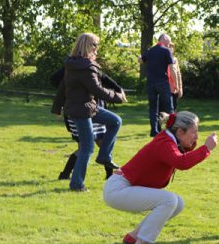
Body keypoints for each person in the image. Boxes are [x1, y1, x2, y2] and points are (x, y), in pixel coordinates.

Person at [103, 111, 218, 244]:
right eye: (194, 132)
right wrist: (206, 149)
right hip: (117, 190)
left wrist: (196, 146)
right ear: (180, 131)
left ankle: (134, 236)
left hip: (121, 187)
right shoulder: (165, 142)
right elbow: (181, 162)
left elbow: (180, 154)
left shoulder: (168, 139)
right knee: (169, 200)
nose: (197, 137)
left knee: (178, 202)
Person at [61, 32, 128, 192]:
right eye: (95, 45)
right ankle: (76, 184)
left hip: (87, 107)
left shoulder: (74, 64)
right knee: (87, 147)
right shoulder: (84, 67)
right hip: (81, 110)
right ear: (87, 46)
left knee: (115, 121)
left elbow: (64, 87)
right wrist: (118, 96)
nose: (97, 49)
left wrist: (57, 108)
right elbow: (97, 89)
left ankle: (104, 155)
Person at [51, 67, 125, 180]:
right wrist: (72, 93)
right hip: (83, 110)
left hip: (93, 108)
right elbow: (56, 81)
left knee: (92, 146)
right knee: (93, 145)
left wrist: (118, 89)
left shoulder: (88, 66)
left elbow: (105, 79)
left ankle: (66, 174)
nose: (95, 53)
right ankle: (107, 175)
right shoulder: (75, 67)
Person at [138, 33, 177, 137]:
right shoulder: (166, 51)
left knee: (153, 108)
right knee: (169, 107)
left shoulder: (150, 50)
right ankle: (171, 130)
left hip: (150, 83)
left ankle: (154, 131)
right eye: (169, 41)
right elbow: (172, 69)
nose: (170, 44)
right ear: (164, 39)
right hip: (163, 82)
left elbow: (140, 61)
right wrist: (176, 83)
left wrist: (139, 57)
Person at [167, 42, 183, 111]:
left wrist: (180, 88)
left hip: (174, 89)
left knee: (173, 108)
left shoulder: (175, 59)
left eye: (172, 47)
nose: (170, 48)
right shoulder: (162, 59)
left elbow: (178, 74)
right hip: (165, 87)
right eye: (169, 47)